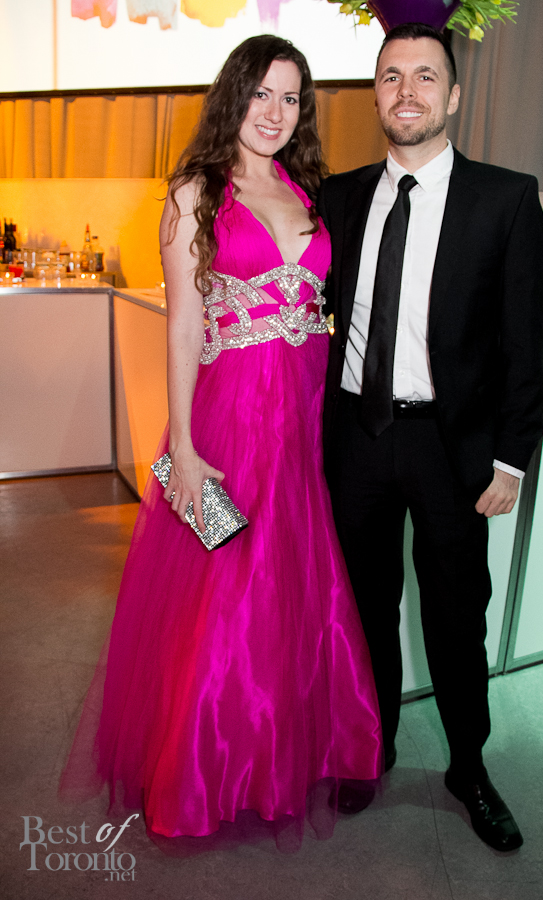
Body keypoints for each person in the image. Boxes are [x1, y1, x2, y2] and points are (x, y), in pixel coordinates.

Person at [60, 35, 382, 845]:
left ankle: (282, 750)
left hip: (309, 412)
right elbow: (182, 327)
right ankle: (206, 768)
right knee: (227, 594)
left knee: (299, 583)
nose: (275, 112)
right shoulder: (194, 193)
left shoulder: (310, 192)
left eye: (291, 98)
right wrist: (185, 448)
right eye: (261, 93)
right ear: (233, 95)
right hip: (232, 415)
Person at [318, 22, 543, 852]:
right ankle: (369, 746)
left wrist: (511, 459)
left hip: (452, 449)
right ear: (374, 94)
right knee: (363, 607)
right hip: (355, 435)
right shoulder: (338, 198)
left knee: (456, 616)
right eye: (390, 76)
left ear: (452, 95)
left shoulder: (505, 197)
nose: (406, 90)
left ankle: (469, 768)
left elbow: (524, 343)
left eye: (424, 76)